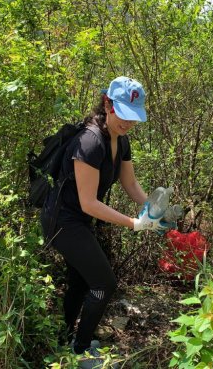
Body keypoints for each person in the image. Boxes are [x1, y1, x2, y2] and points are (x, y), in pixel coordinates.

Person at [40, 76, 167, 367]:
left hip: (79, 219)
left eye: (134, 118)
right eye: (123, 115)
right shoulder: (90, 141)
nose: (128, 123)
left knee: (80, 279)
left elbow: (131, 184)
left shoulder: (120, 141)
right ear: (108, 104)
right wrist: (134, 223)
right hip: (62, 219)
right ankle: (80, 350)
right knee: (104, 283)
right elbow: (89, 202)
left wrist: (154, 209)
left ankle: (65, 339)